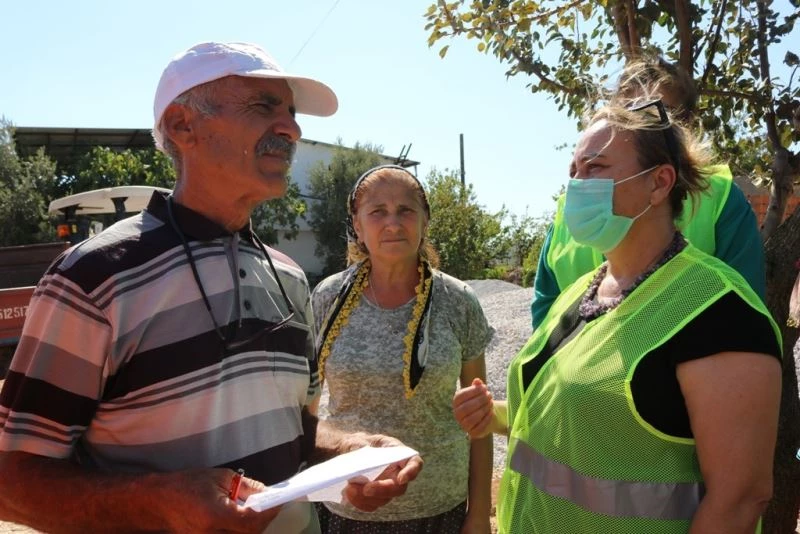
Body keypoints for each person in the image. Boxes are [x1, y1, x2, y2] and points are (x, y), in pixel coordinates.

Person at [0, 42, 421, 534]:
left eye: (290, 112)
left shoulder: (288, 278)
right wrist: (156, 503)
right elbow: (12, 483)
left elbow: (294, 428)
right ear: (183, 126)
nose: (292, 129)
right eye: (264, 106)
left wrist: (349, 450)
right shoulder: (93, 279)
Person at [453, 98, 782, 533]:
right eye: (573, 171)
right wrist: (493, 414)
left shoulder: (721, 314)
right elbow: (584, 416)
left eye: (595, 168)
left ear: (660, 182)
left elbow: (740, 500)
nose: (576, 184)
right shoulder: (583, 289)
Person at [312, 165, 494, 533]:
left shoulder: (458, 301)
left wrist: (478, 516)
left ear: (424, 220)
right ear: (358, 227)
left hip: (442, 508)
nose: (393, 223)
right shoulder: (327, 298)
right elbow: (306, 414)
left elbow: (480, 422)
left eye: (405, 210)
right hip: (349, 507)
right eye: (377, 211)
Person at [531, 57, 766, 329]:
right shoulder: (567, 210)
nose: (639, 124)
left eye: (657, 112)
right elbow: (544, 323)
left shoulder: (720, 197)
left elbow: (744, 317)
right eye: (628, 111)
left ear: (686, 124)